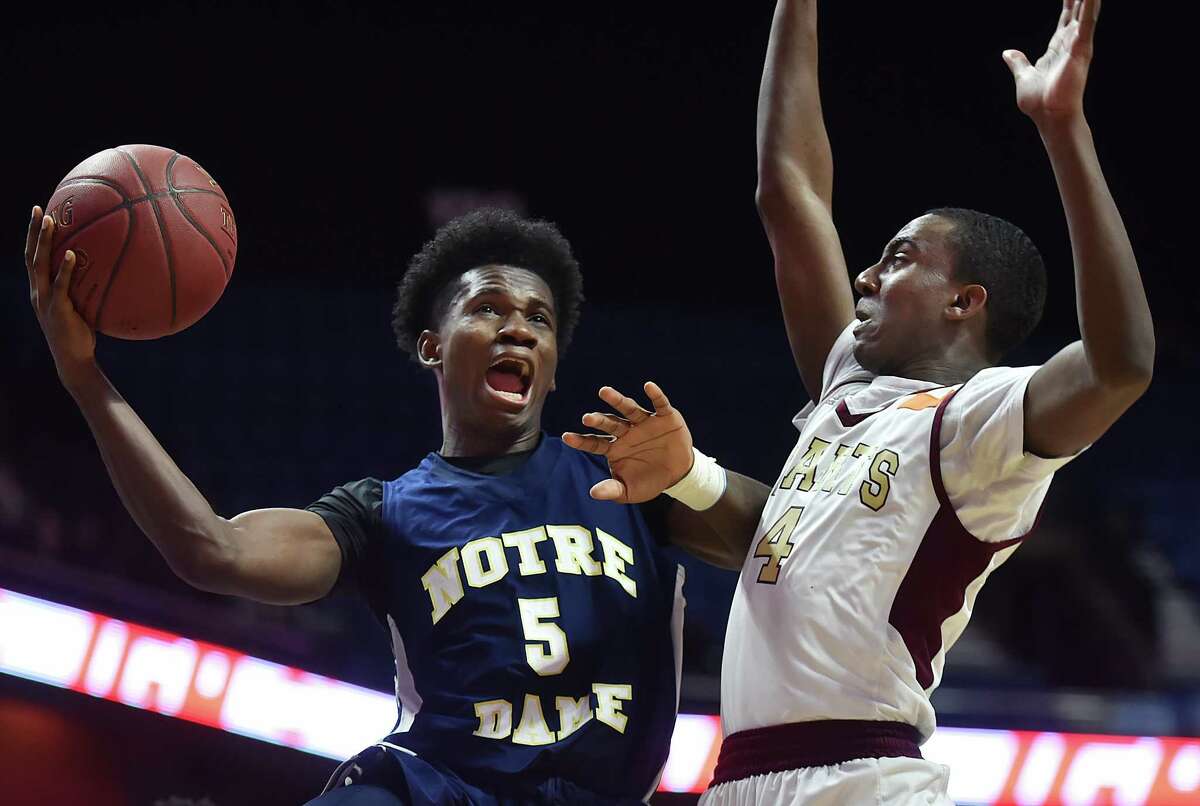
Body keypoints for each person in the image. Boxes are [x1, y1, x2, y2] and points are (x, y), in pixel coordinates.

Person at [563, 0, 1154, 802]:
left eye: (899, 258)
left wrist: (1062, 130)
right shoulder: (849, 382)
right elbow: (789, 189)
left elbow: (1121, 365)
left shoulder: (976, 422)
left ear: (964, 301)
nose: (868, 277)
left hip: (864, 776)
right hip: (741, 777)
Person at [24, 207, 691, 805]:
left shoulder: (635, 481)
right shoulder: (387, 512)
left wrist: (697, 474)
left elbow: (770, 533)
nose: (516, 326)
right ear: (432, 345)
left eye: (538, 319)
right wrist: (85, 378)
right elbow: (212, 549)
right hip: (441, 789)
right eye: (487, 308)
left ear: (550, 363)